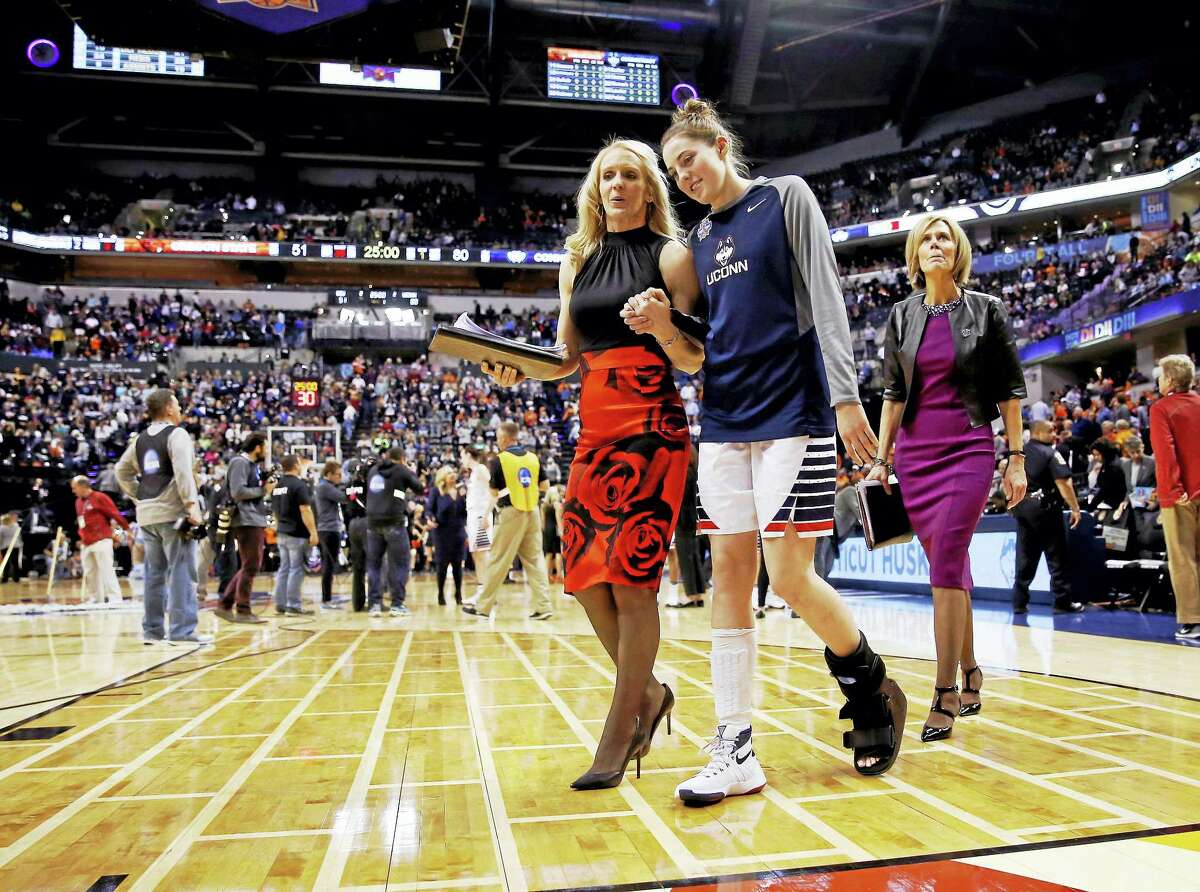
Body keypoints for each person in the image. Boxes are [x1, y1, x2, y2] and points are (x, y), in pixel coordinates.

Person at [661, 100, 905, 802]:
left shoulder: (785, 197)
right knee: (729, 578)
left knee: (790, 579)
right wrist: (663, 327)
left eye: (691, 159)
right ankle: (734, 746)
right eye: (675, 169)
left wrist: (845, 395)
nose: (685, 176)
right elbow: (704, 346)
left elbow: (826, 298)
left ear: (721, 146)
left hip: (795, 413)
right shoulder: (699, 240)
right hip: (725, 420)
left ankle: (868, 688)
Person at [480, 137, 700, 790]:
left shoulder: (673, 255)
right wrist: (513, 369)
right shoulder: (577, 260)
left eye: (631, 175)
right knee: (580, 576)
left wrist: (662, 326)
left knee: (632, 582)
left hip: (653, 428)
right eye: (608, 175)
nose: (618, 184)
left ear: (650, 188)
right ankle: (652, 695)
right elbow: (565, 357)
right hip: (595, 428)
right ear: (594, 188)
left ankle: (617, 733)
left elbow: (694, 355)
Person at [870, 213, 1028, 740]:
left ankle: (943, 692)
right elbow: (893, 392)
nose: (936, 244)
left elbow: (1009, 389)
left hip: (968, 450)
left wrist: (1016, 457)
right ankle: (972, 669)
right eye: (927, 239)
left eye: (945, 238)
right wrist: (881, 458)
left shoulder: (987, 311)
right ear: (914, 256)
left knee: (947, 564)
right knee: (947, 565)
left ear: (957, 252)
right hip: (915, 456)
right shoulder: (902, 315)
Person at [115, 388, 211, 645]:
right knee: (181, 571)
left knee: (154, 574)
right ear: (168, 407)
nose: (180, 409)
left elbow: (120, 471)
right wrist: (193, 508)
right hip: (173, 513)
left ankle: (153, 632)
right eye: (178, 404)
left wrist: (140, 496)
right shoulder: (177, 434)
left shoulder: (139, 439)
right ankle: (182, 632)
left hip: (147, 516)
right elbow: (183, 473)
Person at [462, 421, 556, 622]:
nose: (497, 440)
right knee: (535, 560)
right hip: (532, 510)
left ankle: (483, 606)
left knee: (498, 559)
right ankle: (544, 606)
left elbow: (494, 492)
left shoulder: (499, 460)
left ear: (505, 438)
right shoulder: (533, 458)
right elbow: (545, 485)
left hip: (510, 512)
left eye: (497, 436)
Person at [1148, 354, 1200, 640]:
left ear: (1169, 379)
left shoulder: (1161, 408)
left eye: (1160, 375)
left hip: (1181, 495)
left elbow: (1165, 454)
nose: (1157, 380)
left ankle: (1192, 621)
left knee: (1183, 558)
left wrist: (1175, 488)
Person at [1011, 421, 1084, 614]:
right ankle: (1062, 601)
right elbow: (1064, 483)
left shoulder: (1018, 455)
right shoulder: (1050, 453)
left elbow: (1007, 482)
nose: (1054, 435)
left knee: (1026, 556)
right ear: (1038, 432)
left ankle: (1019, 601)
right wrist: (1075, 508)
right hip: (1045, 508)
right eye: (1050, 431)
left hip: (1023, 508)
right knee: (1056, 555)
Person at [214, 433, 272, 624]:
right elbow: (238, 492)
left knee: (250, 564)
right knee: (251, 565)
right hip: (246, 519)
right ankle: (243, 610)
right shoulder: (240, 462)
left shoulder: (253, 466)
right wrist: (264, 491)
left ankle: (225, 605)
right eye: (265, 446)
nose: (267, 450)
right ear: (257, 447)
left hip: (253, 518)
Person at [364, 446, 422, 616]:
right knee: (400, 564)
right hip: (394, 523)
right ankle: (397, 604)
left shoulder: (373, 470)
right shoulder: (402, 470)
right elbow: (419, 488)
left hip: (373, 523)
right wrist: (410, 473)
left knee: (374, 564)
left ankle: (374, 604)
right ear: (403, 459)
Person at [71, 475, 131, 604]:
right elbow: (82, 522)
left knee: (107, 570)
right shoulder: (78, 502)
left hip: (101, 539)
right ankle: (95, 598)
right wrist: (81, 537)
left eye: (74, 488)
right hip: (86, 542)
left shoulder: (100, 497)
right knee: (90, 572)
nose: (73, 491)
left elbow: (114, 514)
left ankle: (115, 598)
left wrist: (126, 528)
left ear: (83, 486)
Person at [271, 454, 318, 616]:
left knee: (284, 569)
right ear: (295, 466)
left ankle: (281, 603)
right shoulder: (299, 485)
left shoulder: (278, 486)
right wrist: (313, 532)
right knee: (296, 569)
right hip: (297, 533)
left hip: (282, 532)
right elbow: (305, 509)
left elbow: (275, 511)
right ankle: (293, 605)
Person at [426, 465, 468, 604]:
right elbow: (429, 510)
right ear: (442, 476)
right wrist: (430, 519)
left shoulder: (461, 491)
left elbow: (465, 512)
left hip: (458, 532)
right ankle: (440, 594)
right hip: (441, 533)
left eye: (453, 472)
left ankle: (458, 594)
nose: (452, 474)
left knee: (458, 565)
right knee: (442, 566)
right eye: (449, 472)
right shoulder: (436, 491)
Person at [460, 446, 494, 605]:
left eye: (462, 456)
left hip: (481, 515)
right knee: (476, 554)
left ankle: (489, 593)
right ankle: (483, 591)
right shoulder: (474, 472)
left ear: (468, 454)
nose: (461, 460)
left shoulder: (480, 469)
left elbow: (493, 490)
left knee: (483, 554)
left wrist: (487, 515)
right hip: (474, 516)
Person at [314, 459, 348, 608]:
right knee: (328, 565)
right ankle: (326, 599)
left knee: (330, 564)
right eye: (338, 475)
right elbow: (344, 498)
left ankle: (327, 597)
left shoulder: (327, 486)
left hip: (330, 528)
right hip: (328, 530)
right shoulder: (324, 487)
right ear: (329, 474)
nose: (340, 478)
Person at [1087, 439, 1128, 515]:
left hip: (1116, 504)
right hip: (1110, 501)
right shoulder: (1108, 462)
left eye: (1098, 455)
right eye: (1094, 455)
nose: (1095, 457)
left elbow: (1104, 490)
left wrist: (1091, 507)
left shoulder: (1112, 467)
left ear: (1105, 453)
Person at [542, 482, 564, 583]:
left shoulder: (544, 506)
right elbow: (558, 517)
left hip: (547, 529)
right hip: (555, 529)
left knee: (548, 553)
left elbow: (542, 519)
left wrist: (542, 528)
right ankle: (559, 575)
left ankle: (548, 575)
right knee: (558, 552)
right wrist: (561, 530)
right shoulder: (557, 504)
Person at [0, 512, 22, 583]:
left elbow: (0, 538)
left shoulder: (2, 527)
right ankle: (16, 578)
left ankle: (5, 579)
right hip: (15, 546)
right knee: (15, 562)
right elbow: (19, 536)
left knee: (6, 563)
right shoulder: (16, 525)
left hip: (5, 546)